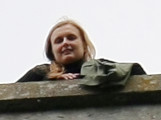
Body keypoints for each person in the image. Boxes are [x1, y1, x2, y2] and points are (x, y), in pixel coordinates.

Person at [15, 18, 145, 82]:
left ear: (83, 44)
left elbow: (137, 71)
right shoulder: (41, 72)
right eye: (59, 41)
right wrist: (51, 82)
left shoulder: (99, 67)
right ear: (52, 51)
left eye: (71, 38)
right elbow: (10, 95)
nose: (65, 43)